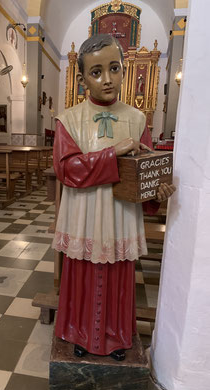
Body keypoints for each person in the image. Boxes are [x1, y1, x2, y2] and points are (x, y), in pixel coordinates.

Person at [52, 34, 176, 361]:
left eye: (114, 68)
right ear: (81, 79)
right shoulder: (69, 120)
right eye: (96, 72)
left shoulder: (137, 120)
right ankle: (78, 333)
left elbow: (146, 172)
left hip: (120, 214)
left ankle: (119, 336)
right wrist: (112, 152)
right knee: (81, 273)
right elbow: (68, 170)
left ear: (124, 70)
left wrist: (156, 193)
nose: (107, 79)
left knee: (120, 275)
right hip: (84, 215)